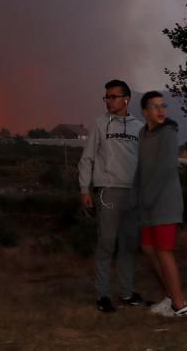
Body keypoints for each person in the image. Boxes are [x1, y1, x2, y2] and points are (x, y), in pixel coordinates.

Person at [78, 79, 144, 312]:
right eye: (106, 97)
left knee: (128, 245)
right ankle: (102, 295)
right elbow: (87, 158)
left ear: (126, 99)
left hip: (133, 192)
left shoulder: (139, 127)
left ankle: (126, 293)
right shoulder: (99, 124)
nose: (108, 101)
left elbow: (144, 161)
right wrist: (85, 189)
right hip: (108, 190)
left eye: (112, 96)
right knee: (106, 243)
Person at [136, 91, 187, 317]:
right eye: (155, 106)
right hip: (147, 203)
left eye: (163, 106)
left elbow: (167, 167)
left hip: (164, 202)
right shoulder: (143, 133)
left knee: (164, 251)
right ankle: (171, 297)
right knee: (149, 249)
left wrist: (148, 197)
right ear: (145, 112)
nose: (161, 111)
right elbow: (142, 168)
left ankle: (180, 306)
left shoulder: (168, 133)